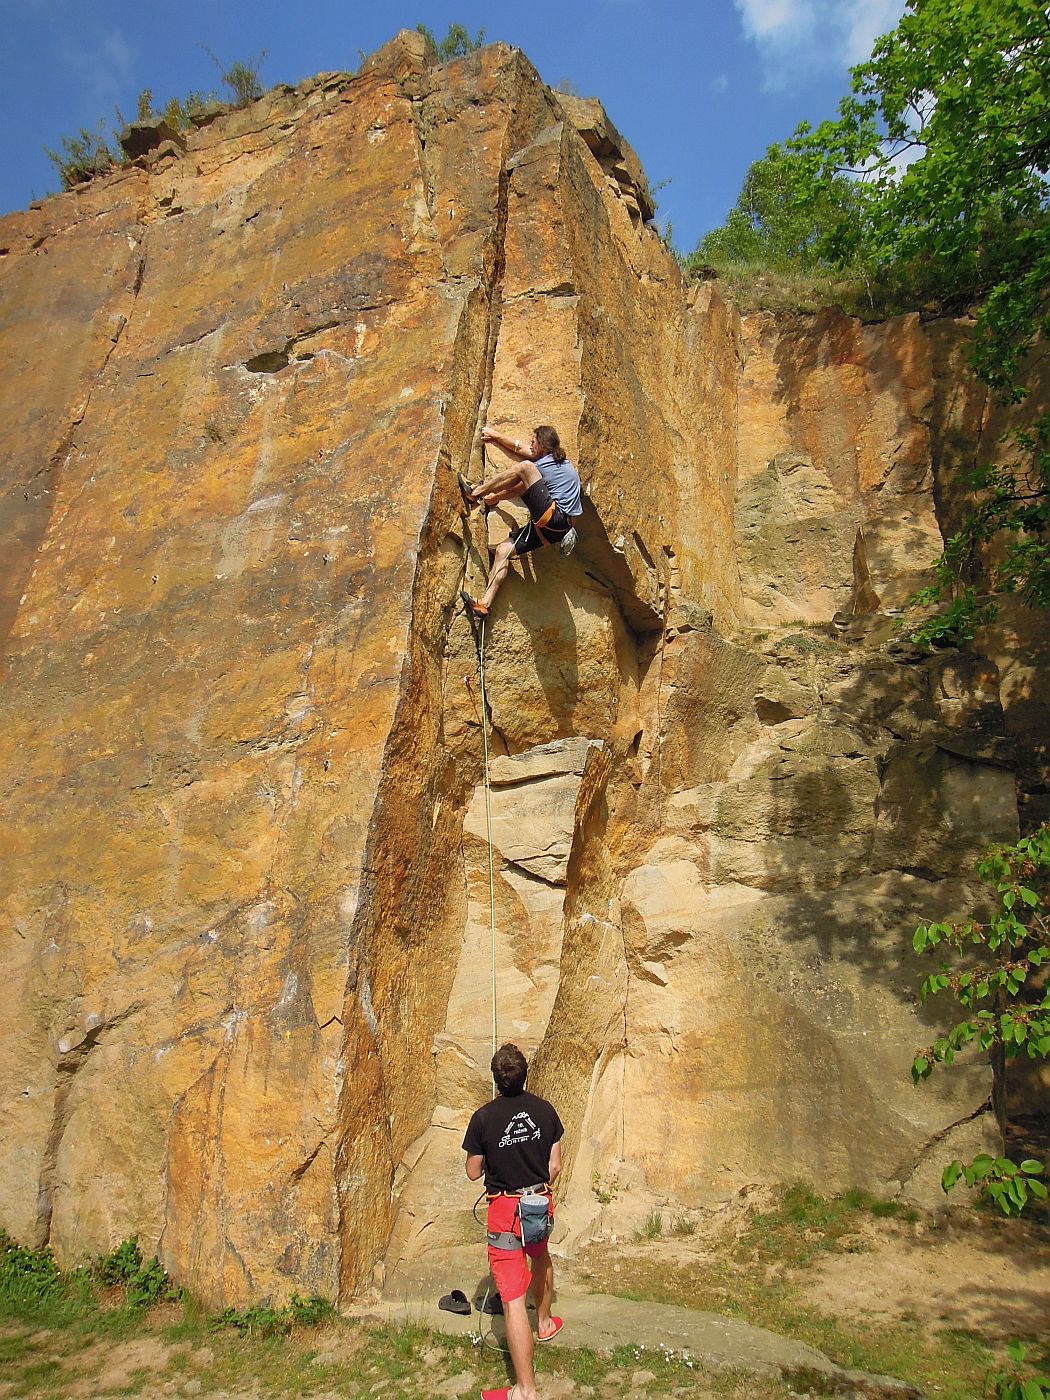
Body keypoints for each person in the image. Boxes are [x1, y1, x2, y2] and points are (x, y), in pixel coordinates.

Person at [463, 1043, 565, 1400]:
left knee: (511, 1300)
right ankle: (546, 1322)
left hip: (505, 1211)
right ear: (525, 1075)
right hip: (538, 1202)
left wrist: (493, 1158)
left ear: (495, 1079)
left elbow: (473, 1172)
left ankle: (525, 1390)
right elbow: (555, 1164)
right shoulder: (544, 1110)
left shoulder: (483, 1118)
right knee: (540, 1256)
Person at [458, 425, 583, 618]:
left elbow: (518, 486)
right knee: (503, 551)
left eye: (533, 441)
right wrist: (497, 436)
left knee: (525, 467)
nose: (530, 445)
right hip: (554, 531)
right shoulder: (555, 460)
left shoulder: (547, 465)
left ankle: (474, 492)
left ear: (542, 444)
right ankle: (484, 605)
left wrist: (493, 496)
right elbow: (520, 448)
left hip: (555, 517)